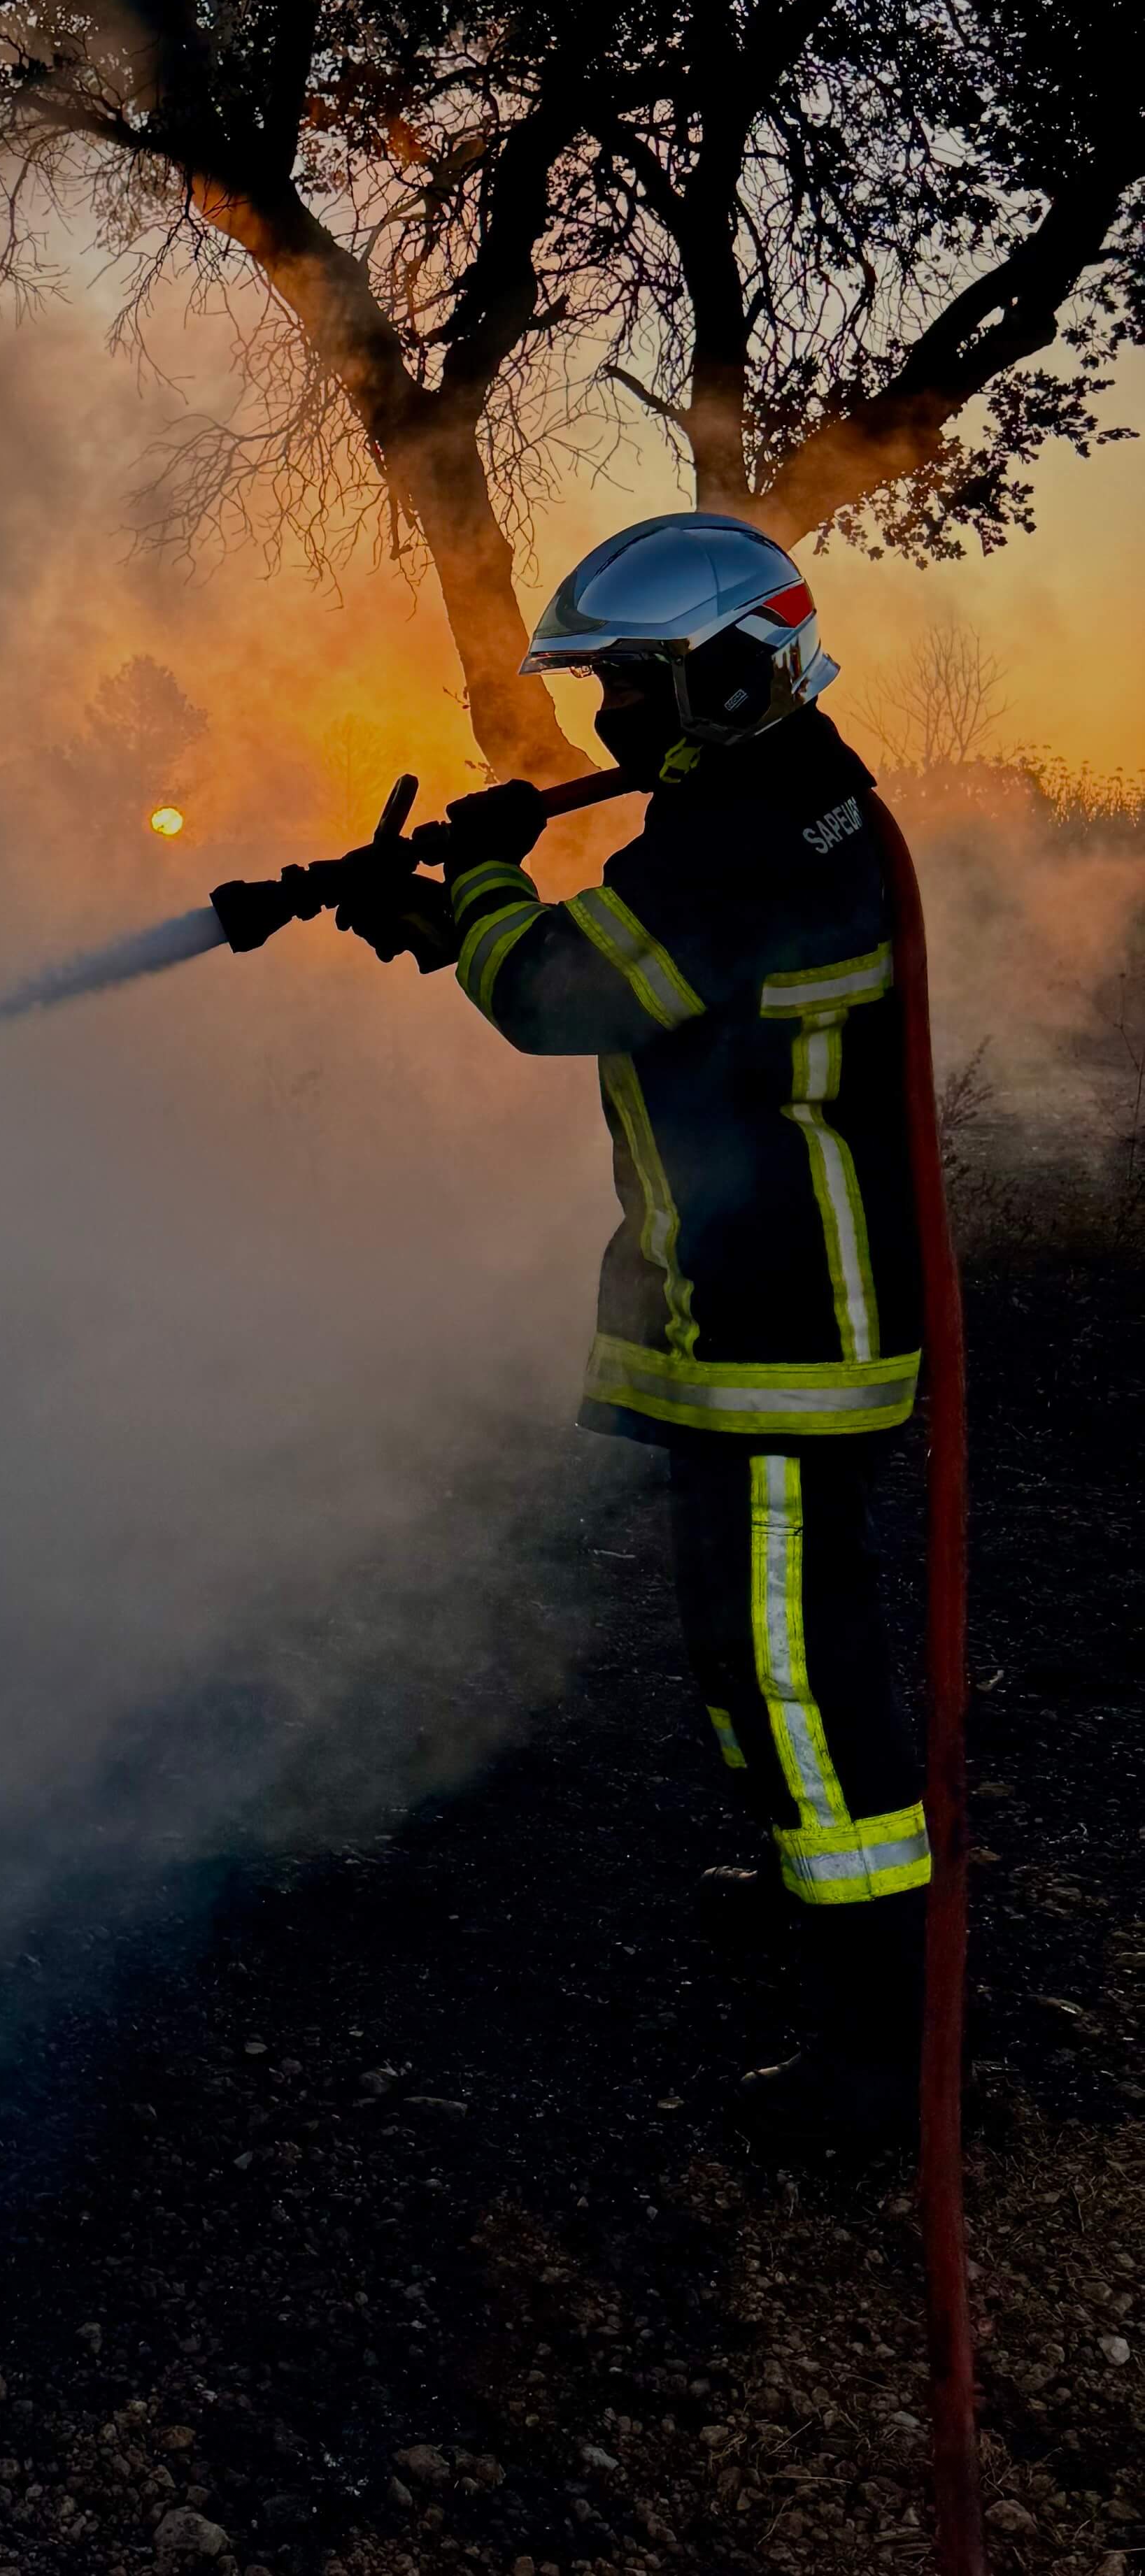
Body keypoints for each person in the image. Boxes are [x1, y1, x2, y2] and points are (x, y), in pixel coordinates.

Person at [336, 512, 930, 2145]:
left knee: (804, 1688)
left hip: (783, 1339)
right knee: (748, 1658)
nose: (612, 727)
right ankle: (816, 1898)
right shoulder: (784, 801)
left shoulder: (747, 847)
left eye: (635, 691)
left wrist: (474, 887)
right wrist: (457, 919)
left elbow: (564, 992)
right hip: (737, 1313)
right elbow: (599, 966)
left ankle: (883, 2056)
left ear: (731, 677)